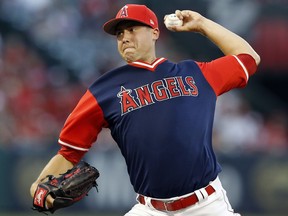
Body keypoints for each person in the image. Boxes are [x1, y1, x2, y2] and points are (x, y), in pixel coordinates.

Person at [30, 4, 260, 216]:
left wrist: (202, 25)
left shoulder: (195, 73)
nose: (124, 38)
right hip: (150, 209)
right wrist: (38, 189)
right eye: (119, 34)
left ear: (155, 32)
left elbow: (249, 58)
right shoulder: (103, 90)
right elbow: (69, 152)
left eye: (132, 29)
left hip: (207, 205)